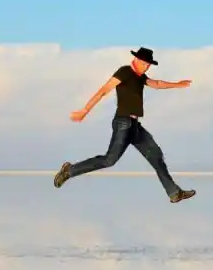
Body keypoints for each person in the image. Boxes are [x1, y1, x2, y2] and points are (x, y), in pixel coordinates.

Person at [54, 47, 197, 203]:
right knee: (109, 160)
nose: (147, 67)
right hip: (123, 123)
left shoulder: (140, 77)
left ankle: (174, 193)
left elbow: (156, 83)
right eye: (145, 64)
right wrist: (85, 110)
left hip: (135, 127)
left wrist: (177, 84)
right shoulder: (125, 72)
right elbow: (103, 90)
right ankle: (69, 171)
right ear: (136, 60)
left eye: (149, 65)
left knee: (156, 156)